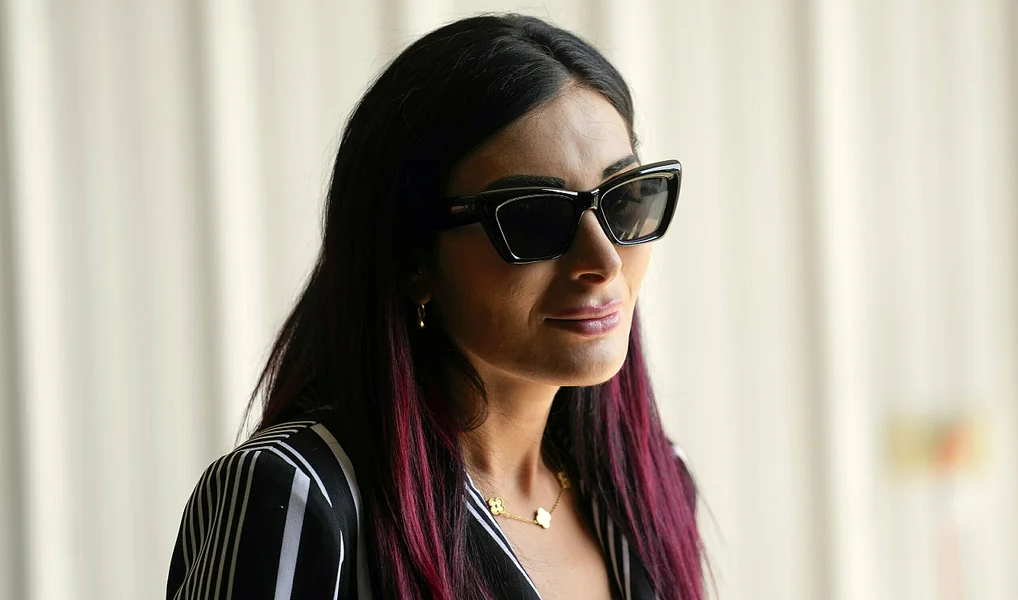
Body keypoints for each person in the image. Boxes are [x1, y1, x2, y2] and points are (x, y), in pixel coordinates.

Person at [166, 13, 703, 599]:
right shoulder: (299, 497)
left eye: (623, 199)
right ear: (412, 259)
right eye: (534, 218)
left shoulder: (653, 485)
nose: (603, 260)